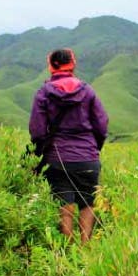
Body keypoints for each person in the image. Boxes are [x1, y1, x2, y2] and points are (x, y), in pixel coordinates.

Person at [29, 48, 109, 243]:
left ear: (50, 66)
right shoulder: (88, 91)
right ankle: (85, 249)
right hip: (87, 158)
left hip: (57, 158)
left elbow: (37, 130)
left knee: (63, 202)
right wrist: (93, 149)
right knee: (87, 202)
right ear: (73, 64)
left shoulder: (43, 93)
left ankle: (68, 251)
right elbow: (102, 123)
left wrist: (42, 151)